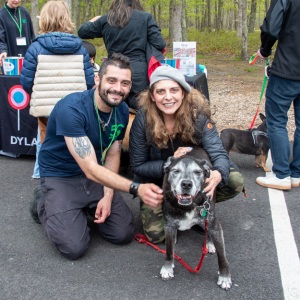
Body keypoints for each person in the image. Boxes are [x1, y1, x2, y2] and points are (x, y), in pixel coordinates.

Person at [30, 53, 163, 260]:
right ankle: (43, 202)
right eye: (112, 80)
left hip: (94, 176)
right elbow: (90, 167)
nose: (118, 88)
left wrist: (108, 196)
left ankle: (79, 208)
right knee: (74, 248)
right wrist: (136, 188)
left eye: (125, 83)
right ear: (97, 79)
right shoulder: (72, 108)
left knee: (122, 233)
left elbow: (112, 153)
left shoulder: (120, 111)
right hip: (61, 175)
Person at [129, 65, 244, 243]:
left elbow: (219, 153)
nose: (168, 97)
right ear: (152, 96)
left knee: (233, 181)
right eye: (160, 91)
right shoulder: (143, 119)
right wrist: (170, 163)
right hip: (159, 182)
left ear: (183, 92)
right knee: (157, 236)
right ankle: (177, 209)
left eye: (174, 90)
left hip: (193, 178)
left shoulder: (198, 116)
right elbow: (137, 165)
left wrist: (218, 173)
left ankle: (195, 209)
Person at [20, 0, 95, 179]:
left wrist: (38, 94)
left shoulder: (35, 47)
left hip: (45, 109)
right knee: (74, 142)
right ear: (66, 19)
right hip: (75, 108)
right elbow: (90, 81)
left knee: (45, 144)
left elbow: (26, 81)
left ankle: (44, 179)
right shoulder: (80, 48)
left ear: (44, 19)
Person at [78, 0, 166, 110]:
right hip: (139, 70)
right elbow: (160, 43)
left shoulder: (107, 19)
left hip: (114, 68)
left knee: (113, 108)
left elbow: (82, 31)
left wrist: (96, 18)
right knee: (141, 110)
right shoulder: (145, 18)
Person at [256, 0, 300, 190]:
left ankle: (282, 174)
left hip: (287, 69)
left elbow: (271, 27)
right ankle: (297, 173)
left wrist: (264, 49)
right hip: (288, 67)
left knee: (276, 121)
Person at [0, 0, 35, 67]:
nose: (16, 1)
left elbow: (32, 36)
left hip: (26, 58)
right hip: (10, 60)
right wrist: (3, 51)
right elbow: (1, 39)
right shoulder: (1, 15)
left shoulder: (24, 13)